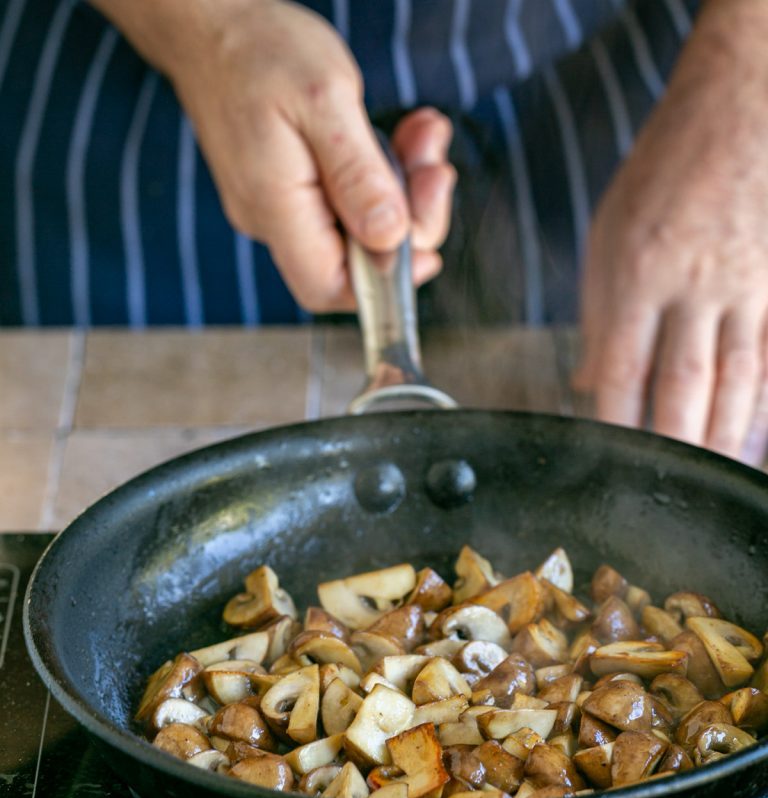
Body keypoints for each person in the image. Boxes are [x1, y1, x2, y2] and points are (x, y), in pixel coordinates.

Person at [1, 0, 765, 463]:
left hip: (633, 79)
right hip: (142, 90)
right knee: (117, 479)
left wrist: (744, 96)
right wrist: (207, 29)